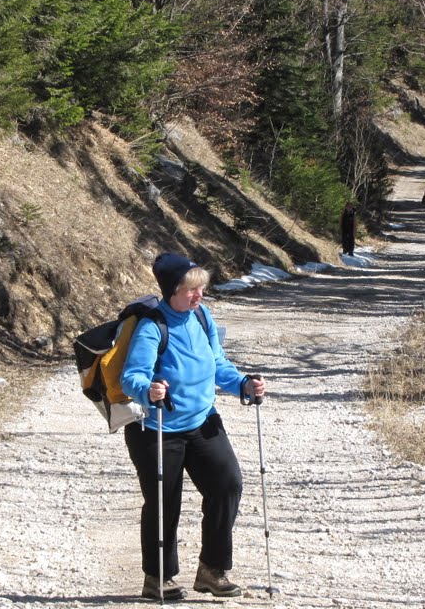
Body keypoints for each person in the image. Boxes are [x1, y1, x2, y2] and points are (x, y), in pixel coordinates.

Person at [122, 252, 267, 602]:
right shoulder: (152, 327)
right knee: (163, 502)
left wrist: (244, 385)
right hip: (157, 429)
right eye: (191, 290)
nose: (199, 295)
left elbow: (219, 364)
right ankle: (157, 577)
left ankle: (211, 571)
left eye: (201, 288)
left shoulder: (201, 317)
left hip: (202, 422)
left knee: (227, 485)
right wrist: (149, 390)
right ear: (172, 290)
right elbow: (132, 377)